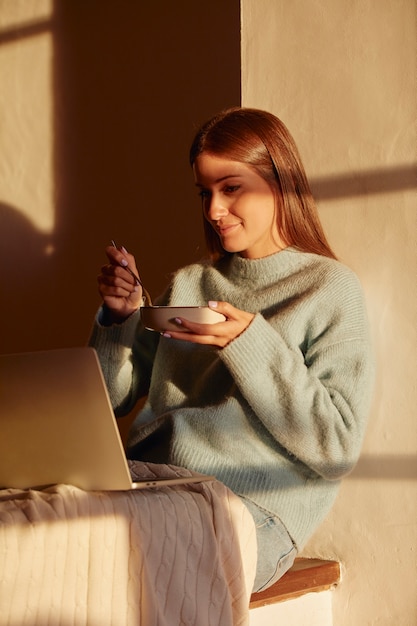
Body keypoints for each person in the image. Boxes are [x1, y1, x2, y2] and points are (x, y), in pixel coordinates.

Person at [89, 107, 374, 593]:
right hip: (148, 482)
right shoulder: (189, 282)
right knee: (32, 518)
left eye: (231, 188)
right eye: (205, 192)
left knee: (117, 557)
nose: (213, 210)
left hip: (252, 510)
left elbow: (336, 448)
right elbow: (108, 399)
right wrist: (120, 319)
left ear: (279, 181)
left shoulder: (329, 289)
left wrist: (249, 343)